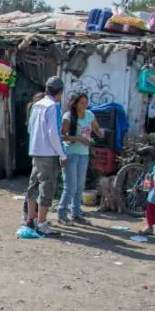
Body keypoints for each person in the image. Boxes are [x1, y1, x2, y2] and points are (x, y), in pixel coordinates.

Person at [24, 76, 66, 235]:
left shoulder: (36, 105)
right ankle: (41, 222)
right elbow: (54, 134)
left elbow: (30, 129)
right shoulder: (53, 107)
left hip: (35, 151)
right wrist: (62, 155)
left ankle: (31, 219)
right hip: (48, 153)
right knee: (46, 187)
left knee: (33, 185)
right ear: (60, 92)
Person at [57, 93, 105, 224]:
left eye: (86, 102)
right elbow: (62, 136)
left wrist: (99, 133)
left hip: (84, 154)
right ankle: (61, 214)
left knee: (79, 186)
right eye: (81, 103)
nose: (84, 105)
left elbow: (96, 129)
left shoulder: (89, 115)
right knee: (70, 186)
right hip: (70, 154)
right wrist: (78, 138)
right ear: (75, 104)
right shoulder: (68, 117)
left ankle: (76, 213)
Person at [22, 92, 45, 222]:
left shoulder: (33, 113)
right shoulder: (37, 114)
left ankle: (31, 212)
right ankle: (30, 213)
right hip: (39, 153)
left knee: (34, 183)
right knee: (35, 184)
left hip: (36, 151)